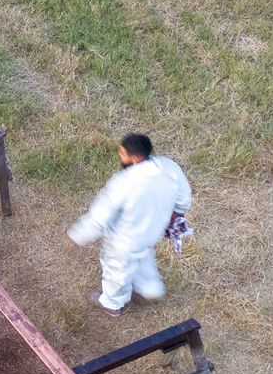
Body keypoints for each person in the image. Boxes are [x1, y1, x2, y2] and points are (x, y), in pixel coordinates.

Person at [67, 133, 192, 313]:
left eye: (122, 153)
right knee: (142, 256)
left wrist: (77, 236)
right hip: (152, 232)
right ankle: (150, 289)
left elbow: (100, 215)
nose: (120, 156)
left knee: (117, 270)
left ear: (134, 157)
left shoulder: (125, 182)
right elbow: (183, 197)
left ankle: (112, 303)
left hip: (123, 238)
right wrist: (176, 215)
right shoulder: (169, 167)